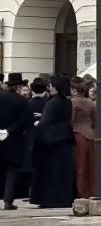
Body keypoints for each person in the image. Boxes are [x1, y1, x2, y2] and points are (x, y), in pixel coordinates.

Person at [32, 75, 75, 208]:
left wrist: (38, 124)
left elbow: (45, 123)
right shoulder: (67, 101)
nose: (48, 88)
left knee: (51, 172)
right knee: (63, 171)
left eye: (50, 86)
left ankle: (51, 199)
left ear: (55, 87)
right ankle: (64, 198)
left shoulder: (52, 102)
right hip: (65, 138)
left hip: (51, 141)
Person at [0, 74, 33, 210]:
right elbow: (25, 120)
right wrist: (9, 130)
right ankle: (8, 201)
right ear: (19, 87)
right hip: (14, 139)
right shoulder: (22, 101)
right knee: (12, 170)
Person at [69, 79, 95, 199]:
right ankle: (90, 190)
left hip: (77, 134)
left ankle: (81, 191)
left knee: (79, 165)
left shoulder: (72, 102)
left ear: (74, 90)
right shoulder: (90, 102)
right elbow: (94, 119)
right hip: (90, 134)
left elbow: (71, 119)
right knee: (89, 164)